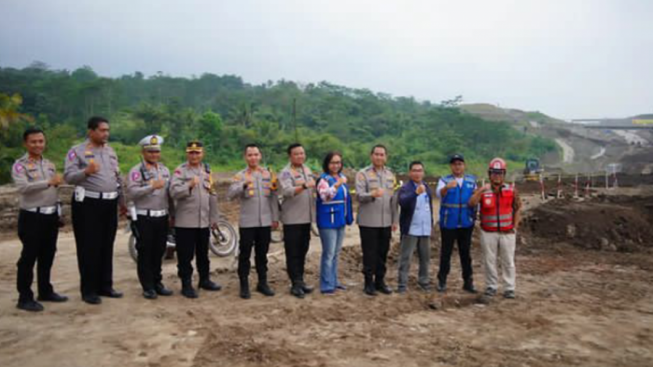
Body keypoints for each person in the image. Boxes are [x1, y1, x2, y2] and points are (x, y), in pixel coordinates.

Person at [64, 116, 125, 305]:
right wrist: (86, 172)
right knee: (89, 247)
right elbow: (68, 176)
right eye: (102, 130)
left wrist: (122, 201)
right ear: (91, 131)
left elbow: (117, 177)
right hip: (88, 204)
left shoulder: (110, 151)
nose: (106, 133)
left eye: (107, 130)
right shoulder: (77, 152)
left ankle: (105, 286)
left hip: (109, 203)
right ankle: (89, 290)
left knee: (107, 245)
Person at [12, 127, 68, 312]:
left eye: (41, 141)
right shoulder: (20, 165)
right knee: (28, 257)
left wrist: (58, 209)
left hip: (50, 215)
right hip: (31, 216)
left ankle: (45, 290)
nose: (38, 145)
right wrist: (48, 182)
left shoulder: (49, 164)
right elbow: (23, 188)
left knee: (48, 254)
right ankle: (24, 297)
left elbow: (55, 190)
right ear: (25, 143)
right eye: (33, 142)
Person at [169, 140, 222, 298]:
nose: (194, 155)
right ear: (187, 154)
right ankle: (186, 284)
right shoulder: (180, 171)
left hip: (203, 221)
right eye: (191, 152)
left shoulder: (206, 171)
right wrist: (189, 185)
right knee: (185, 256)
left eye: (197, 152)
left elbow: (212, 195)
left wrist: (214, 218)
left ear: (202, 154)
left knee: (203, 254)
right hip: (186, 222)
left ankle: (204, 280)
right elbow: (173, 192)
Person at [227, 144, 279, 299]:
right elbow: (229, 195)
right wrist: (243, 185)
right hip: (247, 222)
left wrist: (275, 218)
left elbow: (274, 197)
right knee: (245, 254)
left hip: (265, 222)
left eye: (256, 154)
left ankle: (262, 283)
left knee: (262, 255)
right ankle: (244, 285)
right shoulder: (240, 175)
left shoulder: (268, 174)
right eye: (250, 155)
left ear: (260, 156)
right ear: (245, 157)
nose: (253, 158)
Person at [126, 135, 174, 299]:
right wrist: (150, 187)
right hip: (144, 217)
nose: (154, 154)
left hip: (162, 216)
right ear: (143, 152)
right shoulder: (136, 171)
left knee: (159, 251)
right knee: (145, 252)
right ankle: (147, 286)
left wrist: (171, 215)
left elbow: (169, 194)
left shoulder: (164, 170)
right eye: (150, 151)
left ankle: (157, 282)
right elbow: (132, 192)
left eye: (156, 151)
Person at [468, 158, 522, 300]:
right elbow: (471, 203)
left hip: (507, 232)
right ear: (489, 174)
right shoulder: (484, 191)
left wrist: (515, 227)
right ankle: (491, 286)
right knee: (489, 260)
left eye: (500, 173)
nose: (497, 176)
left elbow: (518, 208)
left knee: (508, 261)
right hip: (488, 232)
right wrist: (480, 191)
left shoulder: (511, 191)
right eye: (494, 173)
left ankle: (509, 288)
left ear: (504, 174)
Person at [355, 144, 398, 296]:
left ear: (386, 157)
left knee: (382, 253)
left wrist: (394, 220)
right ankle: (368, 282)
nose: (379, 157)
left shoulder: (390, 175)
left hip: (385, 221)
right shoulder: (363, 174)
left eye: (382, 154)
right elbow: (359, 195)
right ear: (371, 156)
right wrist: (372, 194)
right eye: (377, 154)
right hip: (368, 221)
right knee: (369, 253)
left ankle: (380, 281)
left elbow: (393, 199)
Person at [278, 143, 316, 299]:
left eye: (302, 153)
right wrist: (305, 186)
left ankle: (300, 280)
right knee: (293, 253)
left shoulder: (307, 170)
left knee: (302, 250)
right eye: (296, 154)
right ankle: (295, 284)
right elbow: (287, 191)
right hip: (292, 219)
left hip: (306, 219)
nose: (300, 156)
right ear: (290, 156)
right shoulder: (286, 173)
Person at [435, 154, 477, 293]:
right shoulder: (444, 180)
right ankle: (442, 281)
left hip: (466, 223)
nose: (457, 166)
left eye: (460, 163)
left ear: (464, 165)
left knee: (465, 253)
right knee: (446, 253)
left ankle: (468, 281)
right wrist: (446, 187)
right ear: (451, 166)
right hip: (449, 223)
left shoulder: (471, 181)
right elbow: (439, 194)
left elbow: (476, 198)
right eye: (454, 164)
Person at [315, 151, 354, 294]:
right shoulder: (323, 180)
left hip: (339, 220)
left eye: (338, 162)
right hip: (327, 221)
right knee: (329, 253)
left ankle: (334, 280)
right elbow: (325, 196)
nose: (336, 165)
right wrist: (337, 185)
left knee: (336, 252)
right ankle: (326, 284)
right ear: (327, 164)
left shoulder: (341, 178)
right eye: (333, 162)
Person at [397, 161, 433, 293]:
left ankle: (424, 281)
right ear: (410, 172)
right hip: (411, 228)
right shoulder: (405, 188)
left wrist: (431, 225)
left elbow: (429, 207)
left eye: (420, 170)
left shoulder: (427, 187)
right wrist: (415, 193)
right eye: (414, 170)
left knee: (425, 257)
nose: (417, 173)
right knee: (406, 257)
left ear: (423, 173)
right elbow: (403, 202)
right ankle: (402, 284)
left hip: (425, 228)